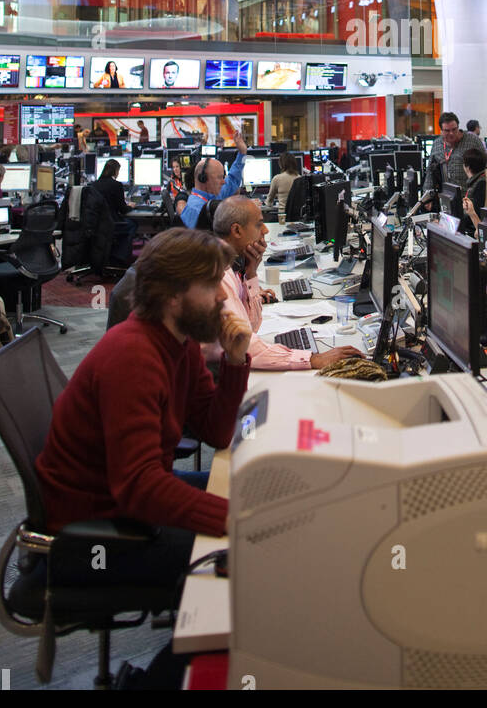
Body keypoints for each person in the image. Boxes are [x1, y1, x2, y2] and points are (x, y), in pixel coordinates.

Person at [35, 229, 251, 591]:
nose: (222, 296)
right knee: (257, 553)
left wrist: (234, 360)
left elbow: (214, 432)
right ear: (171, 296)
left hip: (124, 501)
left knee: (253, 492)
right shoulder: (133, 357)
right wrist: (236, 521)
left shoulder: (177, 341)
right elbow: (138, 486)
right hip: (93, 535)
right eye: (211, 284)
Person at [209, 196, 359, 370]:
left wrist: (251, 275)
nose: (265, 230)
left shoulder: (234, 266)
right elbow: (243, 343)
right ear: (236, 230)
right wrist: (312, 359)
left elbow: (252, 326)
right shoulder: (220, 274)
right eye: (259, 224)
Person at [180, 130, 247, 228]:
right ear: (203, 179)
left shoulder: (213, 195)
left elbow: (232, 179)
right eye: (220, 177)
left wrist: (242, 153)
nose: (223, 181)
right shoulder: (195, 210)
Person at [423, 112, 486, 193]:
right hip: (446, 196)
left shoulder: (472, 140)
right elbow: (430, 172)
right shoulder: (437, 144)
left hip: (469, 195)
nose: (451, 133)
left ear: (458, 127)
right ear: (441, 130)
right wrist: (427, 195)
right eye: (447, 131)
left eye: (454, 129)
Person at [94, 158, 138, 262]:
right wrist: (130, 206)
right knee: (133, 224)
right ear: (116, 171)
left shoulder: (93, 185)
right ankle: (120, 256)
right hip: (111, 223)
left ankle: (110, 254)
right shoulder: (116, 185)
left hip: (96, 224)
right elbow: (122, 209)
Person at [460, 149, 487, 234]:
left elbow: (476, 213)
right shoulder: (479, 180)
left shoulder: (481, 184)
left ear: (467, 167)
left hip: (474, 231)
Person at [266, 153, 299, 220]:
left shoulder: (277, 178)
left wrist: (266, 203)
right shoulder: (300, 178)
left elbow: (269, 201)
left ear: (281, 165)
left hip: (282, 216)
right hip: (297, 216)